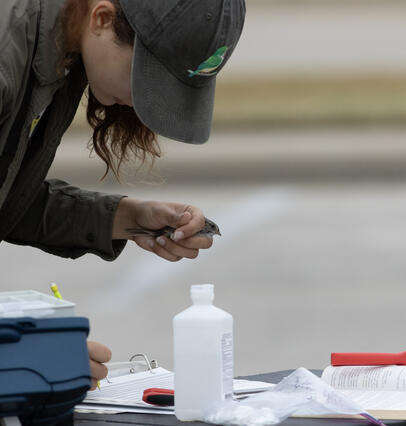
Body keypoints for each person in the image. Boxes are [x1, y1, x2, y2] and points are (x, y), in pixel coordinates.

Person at [0, 0, 245, 389]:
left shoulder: (63, 49)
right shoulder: (6, 49)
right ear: (102, 18)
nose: (140, 103)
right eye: (143, 79)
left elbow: (6, 202)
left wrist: (126, 218)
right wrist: (18, 354)